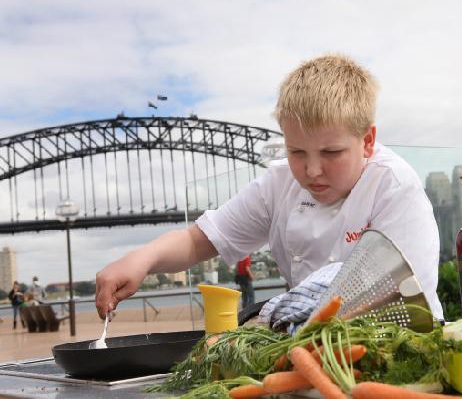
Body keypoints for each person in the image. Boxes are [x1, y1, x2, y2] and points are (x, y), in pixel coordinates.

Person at [95, 54, 444, 321]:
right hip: (310, 345)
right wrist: (141, 259)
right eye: (297, 152)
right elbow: (200, 240)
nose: (312, 170)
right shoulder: (278, 184)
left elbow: (393, 299)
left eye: (331, 153)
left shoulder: (394, 187)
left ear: (367, 141)